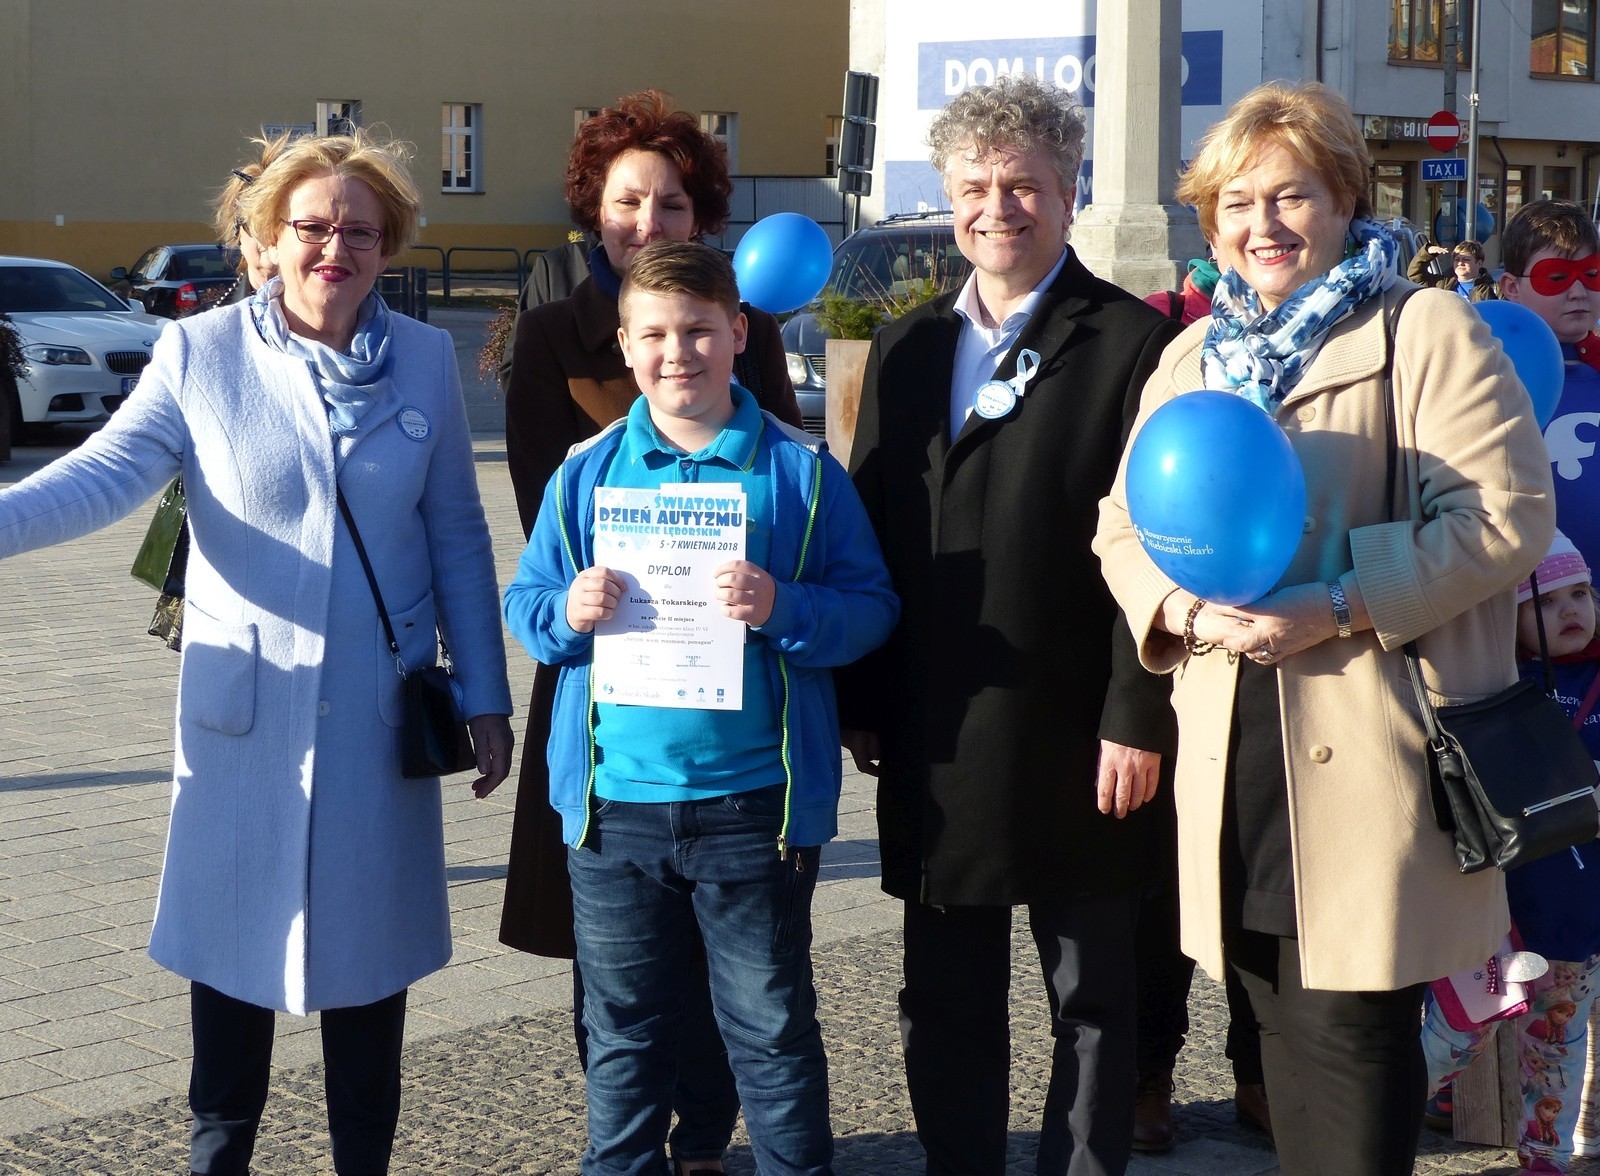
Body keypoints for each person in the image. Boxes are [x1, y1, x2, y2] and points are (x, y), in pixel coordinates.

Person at [0, 130, 516, 1175]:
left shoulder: (423, 359)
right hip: (245, 721)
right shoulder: (202, 353)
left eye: (360, 231)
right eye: (311, 227)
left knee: (370, 972)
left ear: (389, 246)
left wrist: (488, 696)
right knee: (232, 970)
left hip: (377, 719)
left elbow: (458, 535)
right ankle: (217, 1156)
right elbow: (105, 473)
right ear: (266, 241)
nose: (336, 248)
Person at [1093, 80, 1556, 1176]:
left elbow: (1505, 517)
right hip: (1232, 750)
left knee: (1350, 1040)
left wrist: (1336, 604)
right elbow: (1120, 526)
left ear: (1344, 199)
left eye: (1291, 196)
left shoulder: (1422, 329)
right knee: (1274, 1023)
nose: (1263, 224)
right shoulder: (1190, 358)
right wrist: (1182, 606)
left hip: (1372, 746)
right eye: (1237, 203)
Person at [837, 74, 1181, 1175]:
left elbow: (1162, 550)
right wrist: (863, 697)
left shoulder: (1132, 343)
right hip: (939, 726)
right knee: (944, 993)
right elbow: (871, 530)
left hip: (1084, 724)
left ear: (1069, 192)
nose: (999, 208)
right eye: (976, 188)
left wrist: (1139, 714)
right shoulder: (906, 348)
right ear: (949, 198)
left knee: (1092, 998)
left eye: (1024, 185)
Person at [502, 239, 898, 1176]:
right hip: (614, 810)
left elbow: (873, 608)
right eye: (654, 335)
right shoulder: (588, 473)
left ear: (739, 333)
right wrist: (567, 612)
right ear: (625, 348)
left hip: (754, 805)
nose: (677, 353)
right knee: (624, 1035)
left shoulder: (800, 474)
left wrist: (785, 608)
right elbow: (526, 603)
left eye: (698, 331)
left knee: (770, 1029)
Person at [496, 89, 803, 1176]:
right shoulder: (550, 336)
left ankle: (704, 1139)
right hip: (611, 671)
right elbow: (542, 518)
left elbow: (785, 492)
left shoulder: (743, 328)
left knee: (737, 973)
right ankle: (627, 1140)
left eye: (671, 204)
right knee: (617, 964)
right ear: (595, 207)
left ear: (700, 216)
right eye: (629, 201)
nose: (648, 222)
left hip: (731, 687)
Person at [1419, 534, 1600, 1176]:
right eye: (1544, 601)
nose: (1570, 610)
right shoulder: (1490, 686)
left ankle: (1545, 1156)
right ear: (1505, 615)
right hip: (1495, 913)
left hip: (1576, 917)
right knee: (1454, 1034)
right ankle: (1372, 1120)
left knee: (1558, 1042)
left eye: (1580, 593)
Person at [211, 133, 291, 306]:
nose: (267, 234)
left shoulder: (338, 316)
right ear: (238, 233)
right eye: (255, 223)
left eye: (279, 223)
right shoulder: (211, 320)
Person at [1408, 237, 1499, 301]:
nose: (1460, 263)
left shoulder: (1494, 289)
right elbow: (1415, 275)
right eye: (1457, 259)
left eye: (1466, 259)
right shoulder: (1443, 284)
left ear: (1479, 263)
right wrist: (1427, 252)